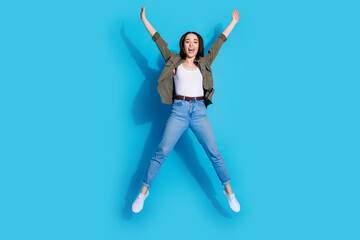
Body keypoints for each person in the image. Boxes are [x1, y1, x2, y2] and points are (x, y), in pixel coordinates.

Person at [132, 7, 241, 213]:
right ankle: (143, 192)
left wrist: (233, 22)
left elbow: (219, 43)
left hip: (199, 111)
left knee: (214, 152)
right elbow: (158, 39)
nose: (191, 44)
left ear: (198, 46)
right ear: (183, 45)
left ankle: (229, 191)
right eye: (187, 41)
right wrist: (144, 19)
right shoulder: (173, 61)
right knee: (162, 151)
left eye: (195, 41)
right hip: (179, 111)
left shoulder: (204, 62)